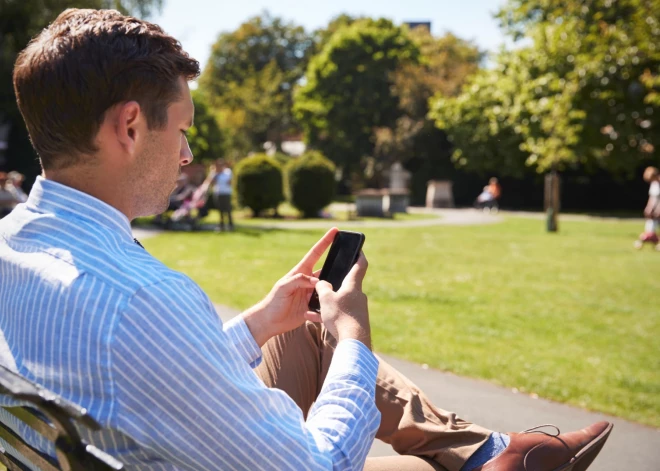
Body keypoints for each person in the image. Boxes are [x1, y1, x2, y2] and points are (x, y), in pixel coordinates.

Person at [0, 8, 612, 471]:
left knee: (305, 326)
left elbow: (137, 371)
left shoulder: (13, 244)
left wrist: (262, 322)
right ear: (130, 127)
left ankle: (491, 453)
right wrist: (357, 337)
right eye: (183, 131)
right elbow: (314, 465)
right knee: (338, 339)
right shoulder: (142, 298)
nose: (187, 156)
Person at [634, 166, 660, 250]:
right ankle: (651, 238)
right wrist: (648, 208)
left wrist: (658, 209)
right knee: (651, 223)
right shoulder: (654, 184)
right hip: (656, 206)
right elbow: (652, 197)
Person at [210, 158, 234, 232]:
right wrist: (216, 174)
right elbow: (212, 183)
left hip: (226, 193)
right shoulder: (214, 173)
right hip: (218, 193)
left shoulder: (228, 172)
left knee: (228, 209)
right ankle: (221, 225)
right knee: (220, 210)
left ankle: (230, 225)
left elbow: (229, 182)